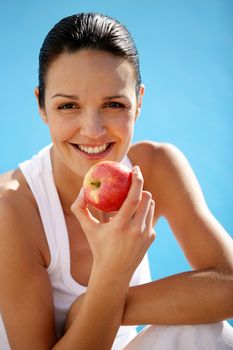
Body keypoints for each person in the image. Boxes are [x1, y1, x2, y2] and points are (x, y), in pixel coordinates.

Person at [0, 12, 233, 350]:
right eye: (68, 106)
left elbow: (228, 282)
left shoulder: (156, 168)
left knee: (207, 334)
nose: (92, 131)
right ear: (41, 106)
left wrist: (93, 305)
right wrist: (110, 273)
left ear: (138, 102)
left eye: (113, 104)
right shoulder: (13, 208)